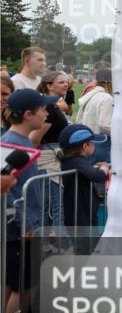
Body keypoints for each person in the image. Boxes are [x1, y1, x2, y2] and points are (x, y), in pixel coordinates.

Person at [2, 89, 58, 313]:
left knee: (16, 285)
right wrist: (30, 226)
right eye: (42, 109)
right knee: (21, 288)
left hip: (19, 227)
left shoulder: (19, 140)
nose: (47, 113)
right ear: (28, 114)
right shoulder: (15, 145)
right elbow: (12, 192)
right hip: (19, 230)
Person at [57, 124, 111, 255]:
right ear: (85, 146)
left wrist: (92, 166)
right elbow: (96, 176)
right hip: (80, 215)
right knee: (85, 251)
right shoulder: (77, 161)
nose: (94, 146)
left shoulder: (72, 160)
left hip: (81, 213)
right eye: (92, 143)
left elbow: (86, 171)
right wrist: (104, 168)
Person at [33, 71, 74, 231]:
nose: (66, 84)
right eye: (61, 82)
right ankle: (58, 247)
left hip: (53, 157)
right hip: (49, 159)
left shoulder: (54, 105)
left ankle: (48, 246)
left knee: (51, 207)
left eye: (66, 82)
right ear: (49, 86)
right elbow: (35, 138)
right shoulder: (48, 107)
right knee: (55, 208)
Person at [76, 68, 113, 165]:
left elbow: (79, 120)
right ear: (110, 83)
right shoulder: (107, 98)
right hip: (101, 143)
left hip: (87, 142)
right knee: (102, 175)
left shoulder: (89, 95)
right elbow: (104, 125)